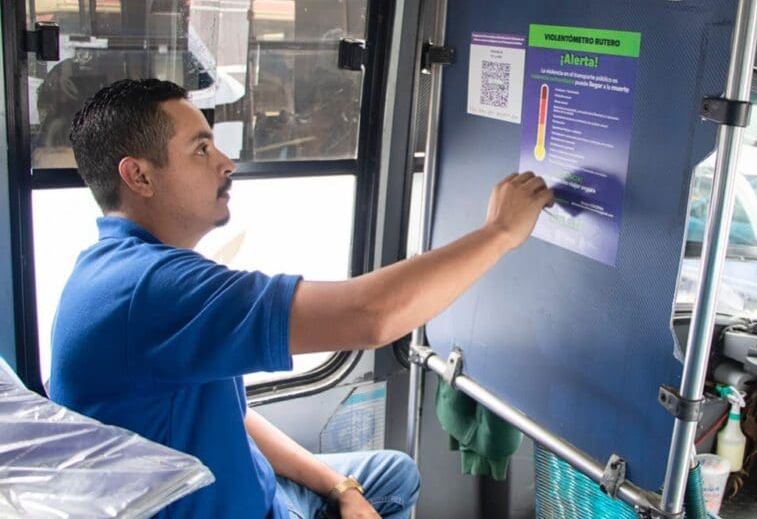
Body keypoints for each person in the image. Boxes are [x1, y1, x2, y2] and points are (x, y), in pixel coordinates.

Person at [48, 79, 554, 519]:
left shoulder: (115, 267)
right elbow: (369, 316)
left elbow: (233, 413)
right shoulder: (151, 290)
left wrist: (339, 487)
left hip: (259, 490)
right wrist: (500, 232)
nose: (226, 163)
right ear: (139, 176)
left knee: (391, 475)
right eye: (201, 150)